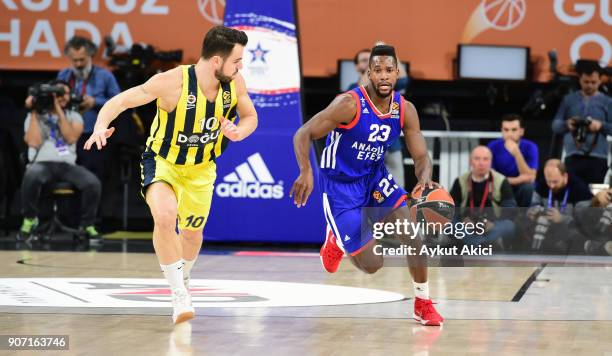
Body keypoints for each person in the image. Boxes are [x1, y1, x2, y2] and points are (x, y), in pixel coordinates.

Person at [83, 26, 257, 324]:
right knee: (165, 218)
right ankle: (179, 294)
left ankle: (182, 279)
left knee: (191, 233)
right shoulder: (171, 82)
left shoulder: (234, 83)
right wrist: (100, 125)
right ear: (217, 60)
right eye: (237, 60)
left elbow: (251, 116)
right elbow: (122, 100)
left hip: (202, 168)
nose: (241, 66)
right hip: (163, 162)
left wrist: (239, 132)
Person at [291, 45, 443, 326]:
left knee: (414, 237)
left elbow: (421, 155)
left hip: (374, 177)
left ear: (397, 73)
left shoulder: (404, 109)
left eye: (389, 70)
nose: (384, 76)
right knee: (373, 266)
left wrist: (424, 179)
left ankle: (422, 303)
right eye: (378, 70)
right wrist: (305, 171)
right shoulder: (349, 104)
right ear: (368, 73)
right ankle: (334, 240)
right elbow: (304, 133)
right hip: (340, 186)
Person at [18, 80, 101, 242]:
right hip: (41, 163)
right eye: (57, 94)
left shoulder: (74, 115)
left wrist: (57, 109)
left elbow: (70, 137)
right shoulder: (33, 116)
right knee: (31, 173)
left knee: (92, 182)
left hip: (67, 165)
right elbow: (33, 141)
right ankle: (29, 219)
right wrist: (35, 110)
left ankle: (87, 224)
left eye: (65, 94)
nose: (61, 97)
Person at [56, 36, 121, 181]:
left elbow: (120, 102)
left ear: (90, 55)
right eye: (75, 60)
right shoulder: (63, 75)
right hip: (69, 136)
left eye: (82, 60)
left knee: (94, 179)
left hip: (94, 136)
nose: (78, 64)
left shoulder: (105, 76)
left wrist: (95, 102)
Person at [551, 61, 612, 185]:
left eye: (593, 82)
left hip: (598, 156)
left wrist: (600, 126)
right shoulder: (569, 99)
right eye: (586, 82)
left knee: (595, 198)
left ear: (600, 80)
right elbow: (555, 126)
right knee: (572, 194)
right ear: (580, 80)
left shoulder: (607, 102)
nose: (589, 85)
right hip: (573, 155)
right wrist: (567, 124)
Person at [449, 146, 517, 249]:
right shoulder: (460, 181)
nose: (481, 163)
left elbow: (510, 209)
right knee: (448, 223)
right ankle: (482, 244)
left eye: (485, 159)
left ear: (490, 162)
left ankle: (474, 244)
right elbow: (451, 209)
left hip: (491, 226)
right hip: (467, 226)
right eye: (477, 159)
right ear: (470, 161)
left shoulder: (501, 181)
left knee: (509, 225)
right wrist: (462, 221)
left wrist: (494, 224)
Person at [528, 159, 592, 253]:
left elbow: (584, 222)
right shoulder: (541, 186)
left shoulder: (580, 190)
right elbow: (532, 205)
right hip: (547, 227)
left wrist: (561, 218)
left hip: (570, 231)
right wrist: (534, 213)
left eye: (555, 182)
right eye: (548, 181)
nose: (551, 186)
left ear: (565, 176)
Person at [487, 114, 538, 207]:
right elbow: (490, 177)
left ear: (521, 131)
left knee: (528, 187)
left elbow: (531, 177)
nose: (509, 134)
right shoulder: (492, 146)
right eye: (506, 130)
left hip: (521, 189)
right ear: (501, 131)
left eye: (514, 130)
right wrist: (519, 179)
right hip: (500, 187)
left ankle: (522, 216)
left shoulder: (530, 146)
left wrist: (517, 153)